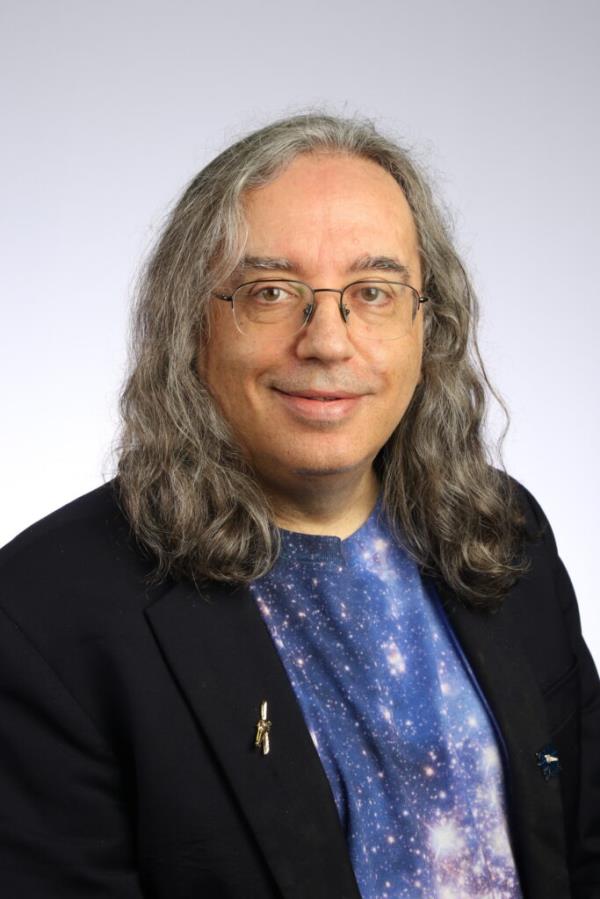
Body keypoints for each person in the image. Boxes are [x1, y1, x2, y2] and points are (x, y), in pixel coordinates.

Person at [0, 114, 598, 899]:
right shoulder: (44, 612)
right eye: (271, 291)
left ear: (428, 326)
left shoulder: (503, 530)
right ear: (192, 327)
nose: (327, 340)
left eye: (374, 292)